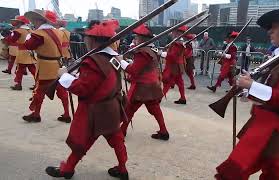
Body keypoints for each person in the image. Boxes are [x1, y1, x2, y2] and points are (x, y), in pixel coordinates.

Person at [214, 4, 279, 180]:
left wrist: (251, 86)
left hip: (273, 125)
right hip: (264, 121)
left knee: (234, 172)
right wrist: (249, 88)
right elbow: (272, 87)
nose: (270, 31)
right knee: (271, 166)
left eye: (275, 25)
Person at [45, 20, 129, 180]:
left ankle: (67, 169)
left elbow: (84, 88)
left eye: (86, 38)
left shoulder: (93, 61)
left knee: (82, 142)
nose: (84, 40)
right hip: (111, 107)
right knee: (117, 140)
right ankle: (123, 169)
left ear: (93, 40)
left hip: (96, 112)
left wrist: (64, 76)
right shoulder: (113, 59)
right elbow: (99, 81)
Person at [119, 24, 169, 140]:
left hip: (142, 85)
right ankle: (163, 130)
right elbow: (142, 66)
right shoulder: (150, 49)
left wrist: (121, 62)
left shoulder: (143, 51)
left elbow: (133, 70)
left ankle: (122, 131)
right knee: (155, 108)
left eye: (137, 37)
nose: (135, 39)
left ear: (142, 39)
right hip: (151, 84)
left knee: (130, 108)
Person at [22, 9, 70, 123]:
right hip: (58, 65)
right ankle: (67, 114)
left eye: (34, 20)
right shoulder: (59, 32)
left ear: (39, 21)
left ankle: (36, 114)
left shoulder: (38, 34)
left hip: (45, 66)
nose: (33, 22)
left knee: (39, 91)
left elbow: (28, 46)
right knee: (62, 91)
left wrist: (29, 37)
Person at [4, 15, 36, 90]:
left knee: (20, 69)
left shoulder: (18, 31)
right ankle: (37, 84)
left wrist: (6, 37)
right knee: (32, 69)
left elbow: (12, 40)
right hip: (30, 52)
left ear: (19, 23)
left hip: (22, 52)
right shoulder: (30, 30)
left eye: (16, 22)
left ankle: (18, 84)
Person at [162, 25, 188, 104]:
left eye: (174, 31)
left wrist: (162, 54)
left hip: (174, 66)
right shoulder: (178, 42)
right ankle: (183, 98)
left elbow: (172, 56)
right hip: (177, 65)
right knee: (180, 82)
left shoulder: (178, 43)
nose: (172, 33)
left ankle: (159, 98)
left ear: (178, 32)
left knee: (167, 82)